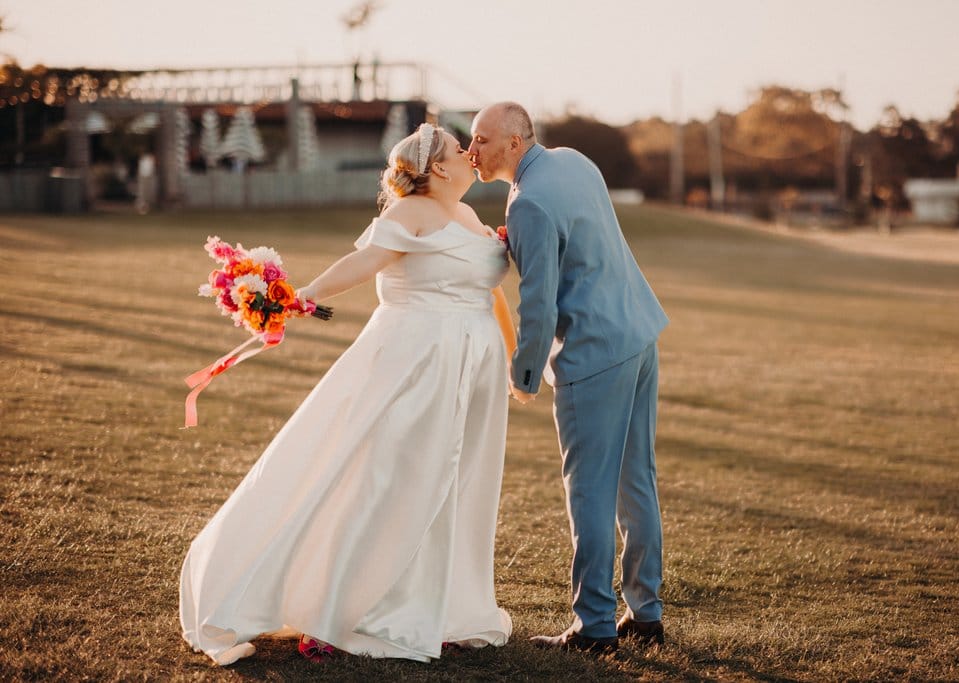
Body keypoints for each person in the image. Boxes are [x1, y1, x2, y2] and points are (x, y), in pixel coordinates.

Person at [179, 123, 515, 666]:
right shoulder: (410, 211)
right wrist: (304, 295)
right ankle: (336, 609)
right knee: (392, 479)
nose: (470, 154)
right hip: (419, 361)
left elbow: (489, 293)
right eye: (460, 149)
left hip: (474, 365)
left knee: (458, 483)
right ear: (437, 167)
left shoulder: (471, 216)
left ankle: (440, 609)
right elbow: (363, 261)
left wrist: (516, 356)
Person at [468, 103, 669, 654]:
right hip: (638, 334)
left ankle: (595, 625)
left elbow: (539, 303)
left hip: (594, 355)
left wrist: (525, 373)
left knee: (590, 494)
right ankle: (645, 613)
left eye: (482, 139)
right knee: (636, 481)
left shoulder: (528, 201)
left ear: (514, 143)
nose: (471, 150)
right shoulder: (573, 161)